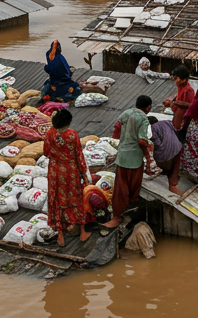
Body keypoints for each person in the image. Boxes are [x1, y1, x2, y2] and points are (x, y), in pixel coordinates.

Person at [102, 95, 154, 230]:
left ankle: (120, 214)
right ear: (148, 107)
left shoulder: (126, 113)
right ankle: (118, 216)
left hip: (123, 154)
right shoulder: (143, 119)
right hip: (134, 157)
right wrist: (148, 158)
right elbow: (142, 140)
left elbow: (118, 129)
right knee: (131, 186)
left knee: (121, 186)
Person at [44, 109, 94, 245]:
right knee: (76, 198)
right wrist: (84, 173)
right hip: (70, 171)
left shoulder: (50, 133)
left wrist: (57, 156)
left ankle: (60, 234)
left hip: (54, 171)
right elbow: (79, 155)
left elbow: (46, 152)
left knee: (58, 199)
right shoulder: (72, 135)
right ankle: (83, 232)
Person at [146, 114, 183, 194]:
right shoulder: (168, 122)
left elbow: (157, 145)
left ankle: (168, 172)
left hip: (169, 154)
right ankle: (171, 171)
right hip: (179, 148)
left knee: (158, 155)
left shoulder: (153, 129)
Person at [163, 64, 195, 140]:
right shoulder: (181, 89)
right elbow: (177, 101)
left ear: (184, 80)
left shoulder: (188, 90)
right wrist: (171, 102)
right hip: (177, 120)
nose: (175, 81)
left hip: (183, 124)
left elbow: (191, 106)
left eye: (176, 79)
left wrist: (173, 103)